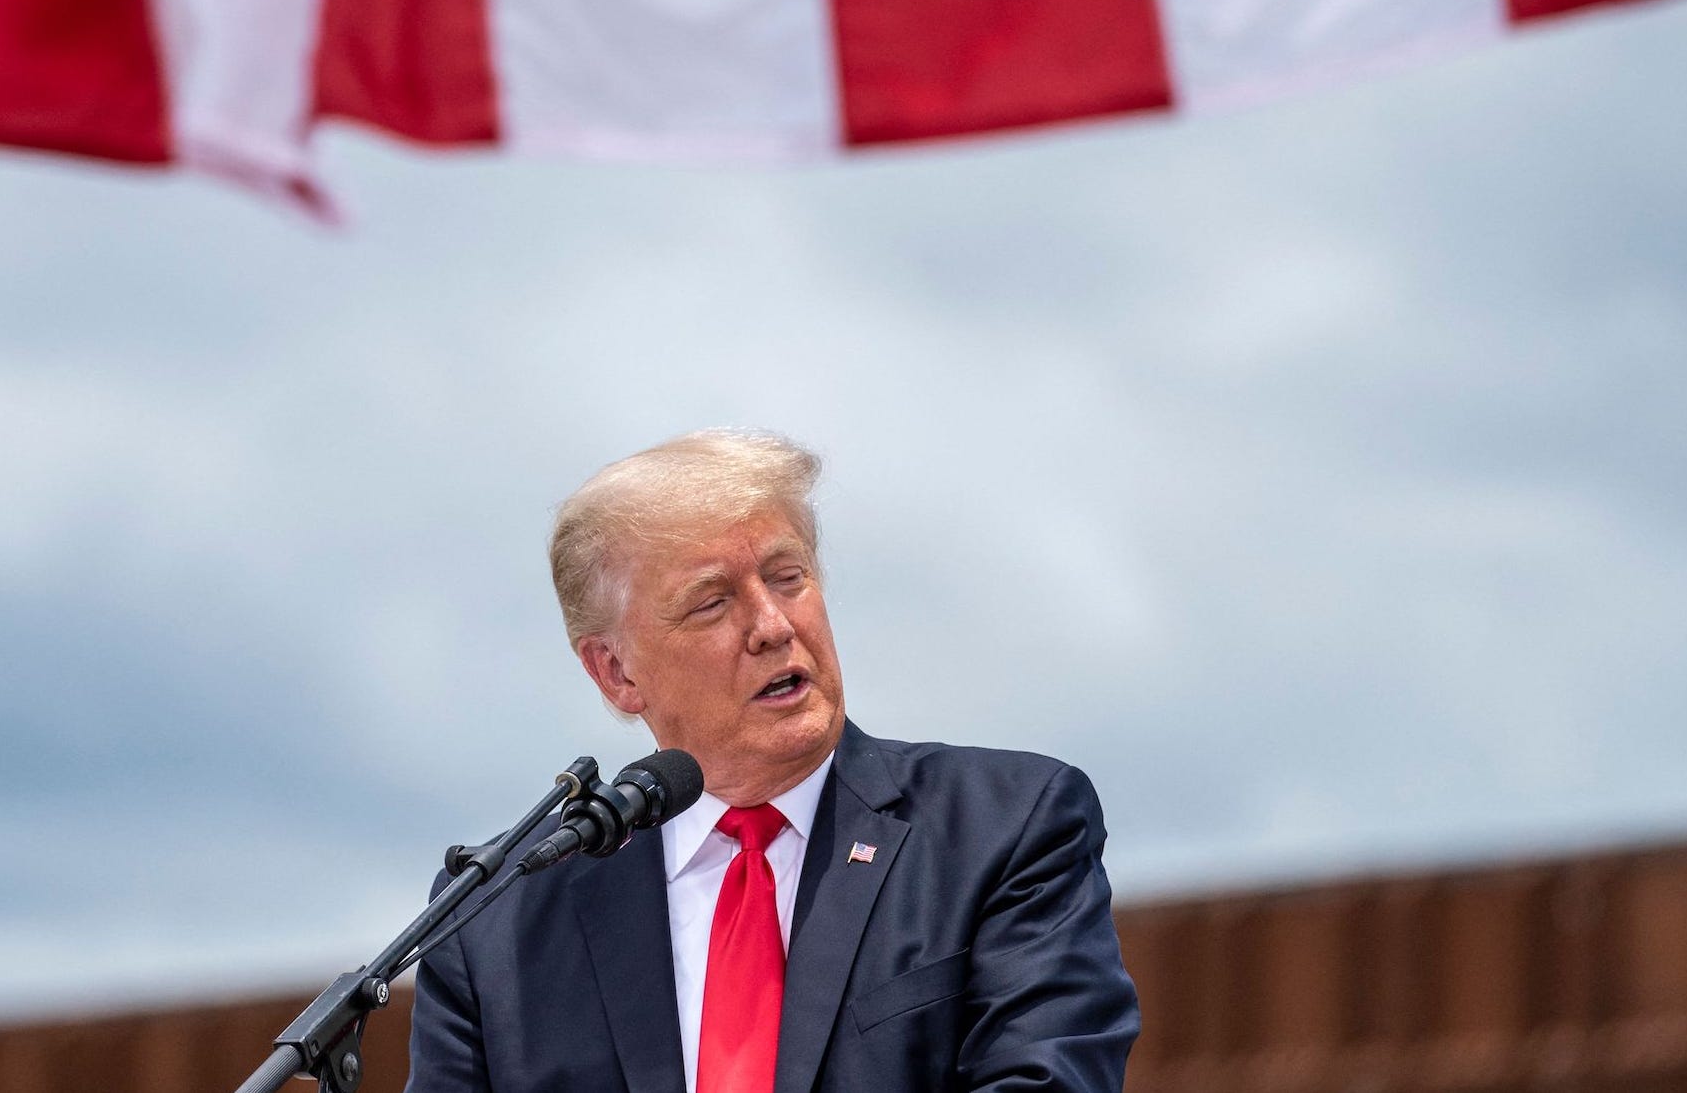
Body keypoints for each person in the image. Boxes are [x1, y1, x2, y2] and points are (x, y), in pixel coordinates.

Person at [405, 429, 1139, 1092]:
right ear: (616, 672)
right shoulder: (497, 917)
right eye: (712, 602)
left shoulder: (1003, 827)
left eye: (788, 576)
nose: (774, 624)